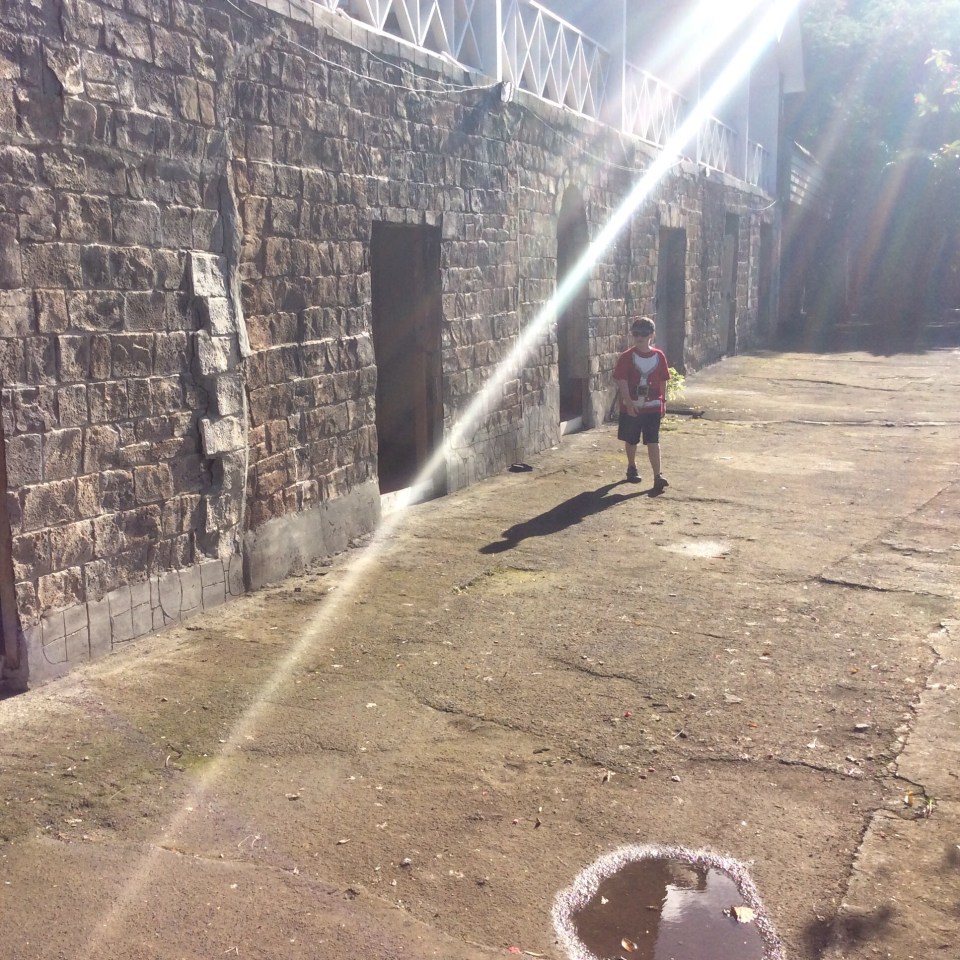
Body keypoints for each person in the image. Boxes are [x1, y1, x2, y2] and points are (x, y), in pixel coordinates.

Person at [613, 317, 670, 491]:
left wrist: (663, 402)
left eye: (644, 333)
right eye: (636, 333)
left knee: (653, 439)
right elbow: (621, 380)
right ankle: (632, 466)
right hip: (633, 406)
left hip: (652, 405)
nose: (640, 337)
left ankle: (658, 475)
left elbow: (663, 380)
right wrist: (628, 402)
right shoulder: (627, 357)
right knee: (631, 439)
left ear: (652, 335)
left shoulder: (659, 356)